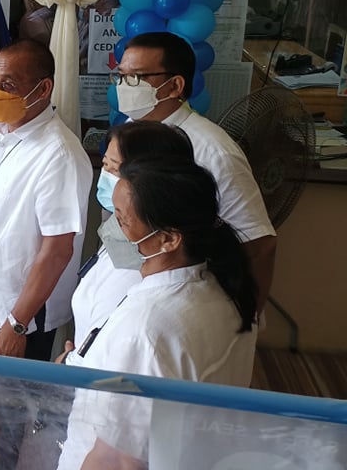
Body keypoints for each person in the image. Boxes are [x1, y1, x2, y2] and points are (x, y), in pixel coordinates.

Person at [57, 158, 259, 469]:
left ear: (168, 239)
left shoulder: (147, 329)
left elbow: (121, 459)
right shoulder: (229, 290)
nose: (113, 227)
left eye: (123, 220)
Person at [0, 39, 91, 470]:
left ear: (42, 89)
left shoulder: (59, 153)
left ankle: (14, 465)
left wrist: (17, 320)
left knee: (21, 406)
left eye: (8, 84)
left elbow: (57, 248)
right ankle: (4, 461)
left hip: (15, 311)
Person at [114, 31, 276, 311]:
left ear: (175, 85)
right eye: (120, 76)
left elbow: (259, 244)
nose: (124, 86)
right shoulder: (130, 130)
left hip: (180, 304)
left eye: (137, 78)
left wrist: (246, 318)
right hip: (126, 290)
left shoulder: (214, 152)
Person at [68, 121, 195, 352]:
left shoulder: (142, 263)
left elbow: (109, 352)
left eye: (114, 169)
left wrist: (69, 361)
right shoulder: (120, 234)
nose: (105, 176)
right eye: (104, 164)